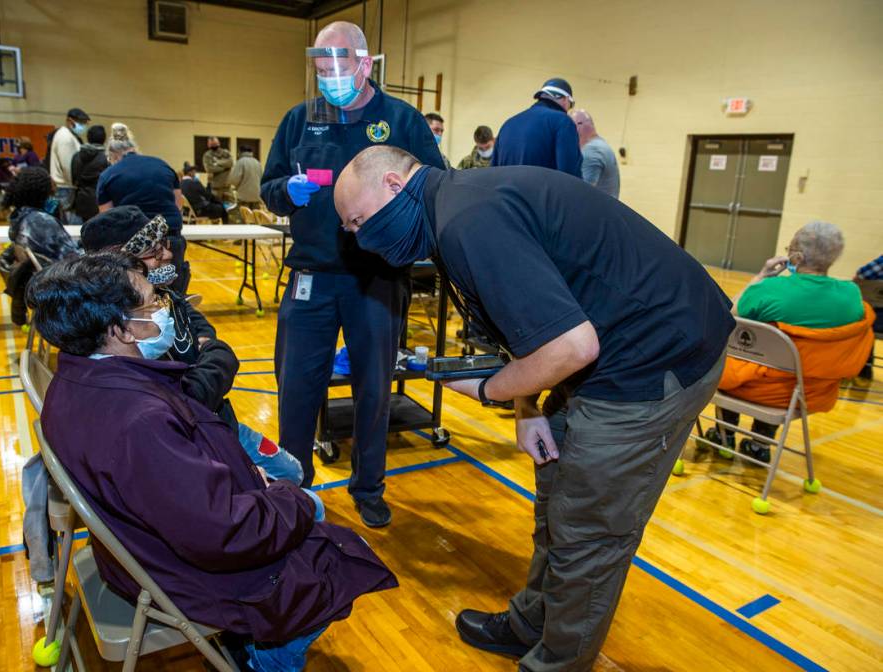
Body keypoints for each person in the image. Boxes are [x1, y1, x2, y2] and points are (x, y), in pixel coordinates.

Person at [335, 145, 735, 670]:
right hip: (611, 349)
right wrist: (527, 406)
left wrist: (491, 391)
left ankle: (558, 662)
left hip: (653, 360)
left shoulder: (467, 222)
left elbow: (570, 347)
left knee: (589, 532)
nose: (361, 238)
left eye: (360, 222)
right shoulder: (455, 206)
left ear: (392, 184)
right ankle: (532, 624)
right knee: (557, 500)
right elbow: (529, 335)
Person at [29, 252, 397, 670]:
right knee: (339, 558)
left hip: (142, 554)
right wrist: (290, 499)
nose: (164, 309)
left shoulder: (76, 379)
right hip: (186, 573)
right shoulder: (139, 421)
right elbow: (227, 532)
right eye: (151, 302)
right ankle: (264, 659)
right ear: (121, 329)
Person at [260, 20, 444, 528]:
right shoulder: (301, 119)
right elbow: (269, 186)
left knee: (373, 389)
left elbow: (434, 184)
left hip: (376, 278)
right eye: (319, 70)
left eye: (335, 69)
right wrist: (286, 191)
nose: (327, 80)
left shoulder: (401, 120)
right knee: (296, 387)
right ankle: (293, 488)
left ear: (364, 64)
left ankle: (368, 487)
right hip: (311, 273)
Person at [80, 205, 305, 486]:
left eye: (165, 245)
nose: (168, 255)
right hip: (194, 440)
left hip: (216, 420)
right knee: (299, 491)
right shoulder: (123, 331)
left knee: (294, 471)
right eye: (154, 251)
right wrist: (215, 355)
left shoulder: (162, 296)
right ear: (121, 264)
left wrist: (208, 349)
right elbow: (192, 397)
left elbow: (199, 324)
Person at [710, 221, 875, 461]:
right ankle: (760, 444)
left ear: (795, 256)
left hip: (751, 387)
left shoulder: (770, 289)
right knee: (786, 367)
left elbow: (728, 314)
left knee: (737, 359)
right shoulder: (852, 294)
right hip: (811, 392)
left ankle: (724, 436)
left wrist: (761, 275)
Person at [96, 123, 189, 294]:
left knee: (142, 295)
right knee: (173, 291)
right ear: (134, 148)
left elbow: (108, 218)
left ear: (112, 155)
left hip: (135, 244)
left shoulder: (108, 175)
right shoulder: (162, 165)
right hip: (170, 235)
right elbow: (178, 204)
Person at [0, 166, 81, 325]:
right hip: (64, 287)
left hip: (44, 284)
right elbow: (73, 258)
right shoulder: (42, 222)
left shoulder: (20, 218)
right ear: (41, 191)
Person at [493, 78, 582, 177]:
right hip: (542, 191)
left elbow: (493, 172)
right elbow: (569, 175)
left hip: (505, 192)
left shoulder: (507, 125)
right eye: (571, 105)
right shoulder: (563, 122)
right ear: (566, 99)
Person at [47, 107, 90, 223]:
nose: (83, 126)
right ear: (70, 121)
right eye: (81, 123)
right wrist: (77, 183)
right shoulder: (65, 137)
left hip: (67, 188)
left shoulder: (70, 136)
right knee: (72, 226)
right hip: (66, 188)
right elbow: (68, 167)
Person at [569, 109, 620, 199]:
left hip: (596, 211)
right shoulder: (601, 144)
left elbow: (582, 194)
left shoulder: (590, 151)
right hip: (607, 209)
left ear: (578, 126)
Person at [71, 124, 109, 222]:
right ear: (104, 139)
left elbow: (74, 178)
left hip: (81, 201)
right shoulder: (107, 158)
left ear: (88, 138)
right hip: (100, 202)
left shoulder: (76, 156)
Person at [229, 146, 265, 210]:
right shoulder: (257, 162)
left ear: (240, 152)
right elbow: (262, 178)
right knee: (255, 218)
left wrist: (236, 187)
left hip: (244, 197)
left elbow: (234, 179)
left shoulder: (241, 162)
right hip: (256, 196)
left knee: (245, 218)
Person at [203, 136, 235, 203]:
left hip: (227, 187)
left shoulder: (225, 152)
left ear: (219, 143)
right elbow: (209, 169)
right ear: (208, 145)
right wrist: (225, 168)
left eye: (215, 144)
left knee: (232, 208)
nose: (214, 146)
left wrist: (217, 163)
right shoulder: (207, 155)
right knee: (217, 210)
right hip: (215, 188)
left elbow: (231, 163)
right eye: (212, 144)